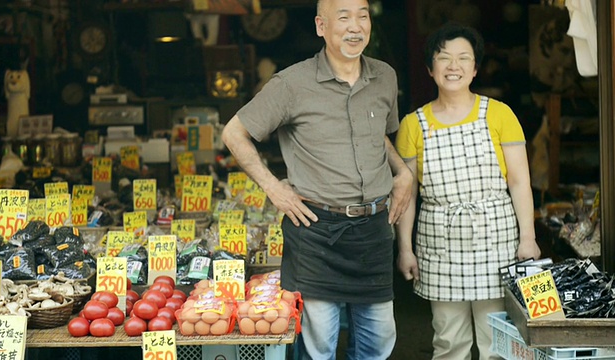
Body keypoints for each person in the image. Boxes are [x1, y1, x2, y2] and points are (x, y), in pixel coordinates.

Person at [221, 0, 413, 358]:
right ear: (321, 26)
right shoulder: (292, 83)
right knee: (320, 343)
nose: (355, 26)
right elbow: (234, 133)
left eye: (363, 15)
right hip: (316, 230)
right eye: (343, 17)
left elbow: (378, 135)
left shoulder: (384, 76)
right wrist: (273, 187)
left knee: (378, 341)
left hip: (372, 229)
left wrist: (401, 171)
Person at [395, 22, 541, 360]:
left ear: (475, 68)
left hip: (496, 238)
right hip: (439, 243)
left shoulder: (500, 114)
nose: (453, 66)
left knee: (498, 338)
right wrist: (405, 248)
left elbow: (519, 182)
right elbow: (407, 196)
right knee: (448, 340)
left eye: (463, 58)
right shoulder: (412, 124)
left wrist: (528, 237)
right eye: (444, 59)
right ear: (431, 69)